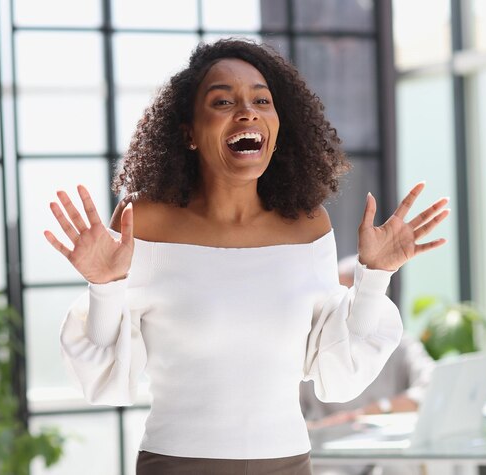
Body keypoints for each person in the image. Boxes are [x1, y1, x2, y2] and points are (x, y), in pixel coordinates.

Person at [44, 38, 450, 475]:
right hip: (179, 464)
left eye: (261, 99)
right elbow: (105, 379)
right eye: (223, 101)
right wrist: (103, 288)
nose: (248, 111)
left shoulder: (306, 225)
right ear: (188, 131)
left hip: (288, 464)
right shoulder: (145, 222)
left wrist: (374, 277)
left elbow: (340, 374)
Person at [300, 254, 436, 475]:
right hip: (329, 455)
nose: (343, 309)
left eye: (353, 298)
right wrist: (318, 428)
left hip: (385, 450)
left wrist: (375, 411)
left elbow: (431, 387)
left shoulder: (398, 343)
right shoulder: (309, 343)